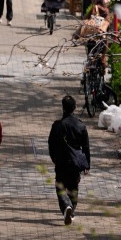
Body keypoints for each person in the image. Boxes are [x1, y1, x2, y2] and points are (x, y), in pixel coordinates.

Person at [48, 95, 90, 225]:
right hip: (75, 162)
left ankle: (66, 206)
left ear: (63, 108)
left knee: (60, 187)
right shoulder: (81, 126)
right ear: (75, 108)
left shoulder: (57, 126)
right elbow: (86, 147)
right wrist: (87, 164)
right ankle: (71, 209)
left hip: (61, 161)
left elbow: (51, 144)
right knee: (73, 187)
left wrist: (54, 158)